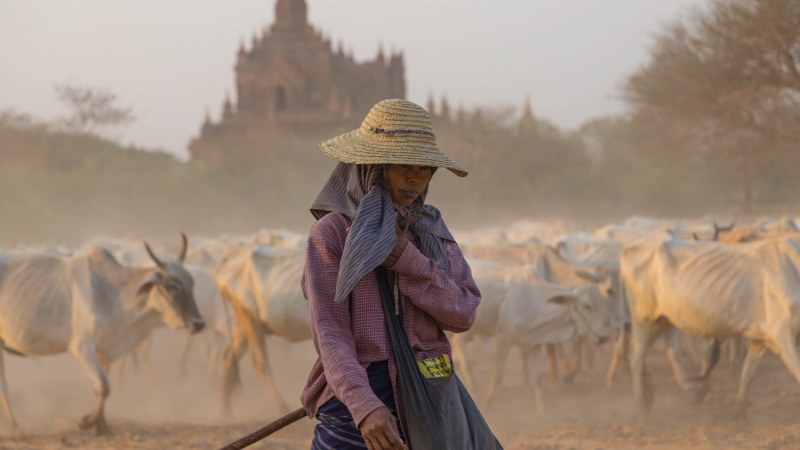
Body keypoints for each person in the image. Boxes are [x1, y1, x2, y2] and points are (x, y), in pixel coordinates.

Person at [301, 99, 481, 450]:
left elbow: (464, 313)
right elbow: (330, 334)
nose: (416, 178)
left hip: (431, 391)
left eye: (426, 168)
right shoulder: (332, 234)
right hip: (360, 396)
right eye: (403, 166)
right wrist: (364, 407)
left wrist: (409, 262)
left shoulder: (430, 230)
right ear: (373, 167)